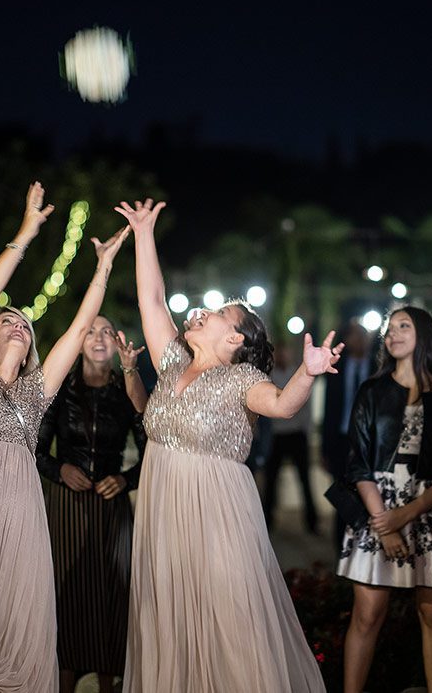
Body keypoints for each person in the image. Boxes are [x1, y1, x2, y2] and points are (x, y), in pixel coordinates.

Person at [116, 198, 333, 692]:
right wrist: (144, 234)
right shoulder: (171, 361)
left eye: (218, 314)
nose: (202, 312)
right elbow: (152, 299)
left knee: (230, 621)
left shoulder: (242, 379)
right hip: (162, 513)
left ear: (235, 340)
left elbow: (281, 405)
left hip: (218, 517)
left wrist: (308, 372)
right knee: (170, 616)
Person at [0, 181, 129, 692]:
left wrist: (103, 269)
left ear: (31, 348)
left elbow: (75, 332)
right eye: (8, 320)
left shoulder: (36, 391)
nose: (16, 325)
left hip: (20, 505)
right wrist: (28, 231)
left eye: (25, 325)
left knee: (16, 595)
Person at [338, 307, 432, 693]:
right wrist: (385, 522)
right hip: (375, 502)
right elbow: (357, 463)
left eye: (403, 326)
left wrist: (406, 515)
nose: (391, 333)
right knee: (368, 613)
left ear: (424, 334)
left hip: (429, 507)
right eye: (389, 328)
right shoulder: (372, 390)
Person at [34, 316, 148, 693]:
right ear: (79, 341)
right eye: (90, 331)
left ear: (117, 342)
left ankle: (109, 680)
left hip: (112, 506)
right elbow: (33, 451)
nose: (98, 338)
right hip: (67, 506)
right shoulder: (60, 389)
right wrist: (60, 468)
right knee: (68, 592)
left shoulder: (127, 390)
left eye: (106, 332)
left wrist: (126, 479)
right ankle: (64, 678)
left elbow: (152, 449)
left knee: (114, 592)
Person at [321, 320, 373, 551]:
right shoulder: (337, 369)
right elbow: (328, 409)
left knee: (369, 494)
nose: (357, 340)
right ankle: (341, 548)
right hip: (341, 440)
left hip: (370, 442)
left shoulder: (377, 367)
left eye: (361, 335)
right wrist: (325, 447)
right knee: (343, 495)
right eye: (353, 335)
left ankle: (366, 544)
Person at [262, 338, 320, 535]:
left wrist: (307, 431)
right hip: (277, 436)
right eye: (278, 352)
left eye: (284, 351)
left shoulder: (297, 374)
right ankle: (267, 522)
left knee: (305, 479)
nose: (281, 355)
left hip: (296, 435)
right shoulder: (268, 376)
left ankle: (312, 522)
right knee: (271, 481)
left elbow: (307, 406)